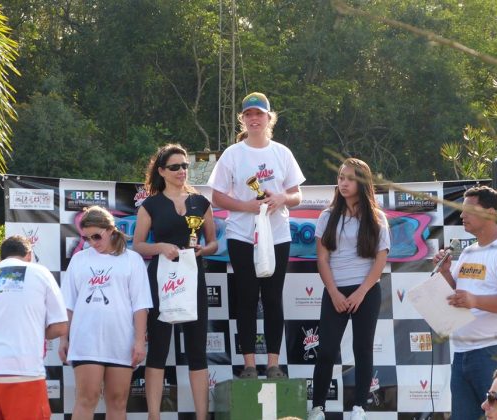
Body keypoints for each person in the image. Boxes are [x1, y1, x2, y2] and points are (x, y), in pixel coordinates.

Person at [208, 92, 305, 379]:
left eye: (259, 114)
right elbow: (217, 197)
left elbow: (298, 194)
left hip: (277, 235)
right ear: (242, 118)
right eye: (249, 114)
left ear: (268, 118)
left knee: (273, 299)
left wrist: (282, 199)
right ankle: (249, 365)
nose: (254, 119)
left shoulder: (282, 152)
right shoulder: (233, 154)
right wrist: (246, 206)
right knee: (247, 298)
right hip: (242, 235)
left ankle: (273, 364)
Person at [133, 143, 218, 420]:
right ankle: (154, 416)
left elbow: (214, 242)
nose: (182, 171)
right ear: (161, 171)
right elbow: (138, 245)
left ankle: (201, 416)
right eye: (175, 167)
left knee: (197, 349)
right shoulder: (150, 204)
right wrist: (161, 247)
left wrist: (203, 250)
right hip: (161, 279)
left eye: (185, 166)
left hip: (193, 277)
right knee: (158, 348)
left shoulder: (201, 202)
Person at [433, 185, 497, 420]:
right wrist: (445, 273)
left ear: (492, 213)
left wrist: (475, 300)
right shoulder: (468, 253)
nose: (462, 215)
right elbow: (458, 295)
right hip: (463, 352)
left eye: (469, 210)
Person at [307, 158, 390, 420]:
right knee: (328, 350)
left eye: (350, 178)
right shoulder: (327, 215)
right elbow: (322, 258)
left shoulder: (377, 217)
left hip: (366, 291)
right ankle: (317, 407)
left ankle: (359, 408)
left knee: (363, 349)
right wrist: (333, 292)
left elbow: (380, 259)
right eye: (341, 177)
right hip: (335, 290)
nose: (343, 183)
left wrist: (361, 292)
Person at [59, 205, 152, 419]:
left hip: (121, 341)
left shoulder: (132, 260)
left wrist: (139, 341)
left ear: (110, 230)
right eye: (87, 238)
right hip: (85, 341)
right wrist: (64, 339)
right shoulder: (79, 259)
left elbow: (141, 305)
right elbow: (68, 304)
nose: (92, 242)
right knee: (86, 399)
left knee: (118, 402)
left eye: (96, 236)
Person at [0, 235, 68, 420]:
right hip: (24, 371)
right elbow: (61, 326)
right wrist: (36, 333)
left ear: (1, 259)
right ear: (29, 255)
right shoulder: (40, 272)